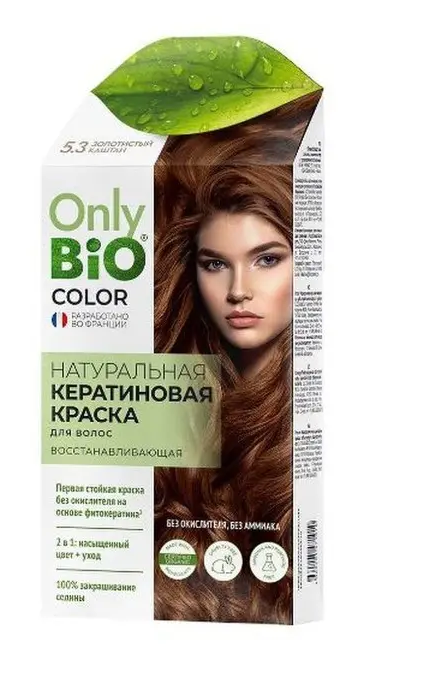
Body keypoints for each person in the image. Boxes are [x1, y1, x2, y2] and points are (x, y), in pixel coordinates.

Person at [153, 91, 320, 623]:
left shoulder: (308, 416)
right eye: (215, 264)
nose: (238, 290)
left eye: (267, 259)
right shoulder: (174, 406)